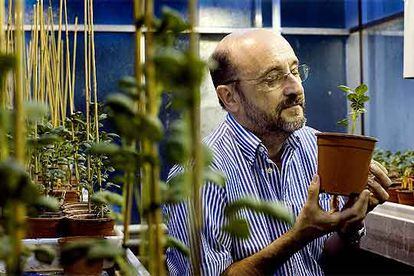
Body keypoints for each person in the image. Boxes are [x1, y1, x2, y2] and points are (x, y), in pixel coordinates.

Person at [164, 29, 391, 276]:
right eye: (271, 79)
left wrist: (346, 228)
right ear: (229, 97)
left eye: (294, 71)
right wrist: (300, 235)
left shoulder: (315, 147)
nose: (295, 88)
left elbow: (321, 260)